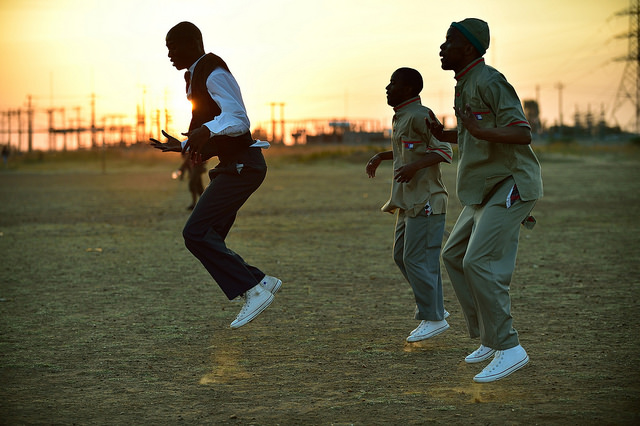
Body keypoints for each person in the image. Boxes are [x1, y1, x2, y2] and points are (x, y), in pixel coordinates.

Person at [428, 18, 543, 382]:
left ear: (469, 48)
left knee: (478, 261)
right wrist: (443, 133)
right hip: (483, 190)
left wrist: (477, 129)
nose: (442, 48)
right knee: (453, 256)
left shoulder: (490, 80)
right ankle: (490, 339)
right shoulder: (464, 83)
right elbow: (472, 135)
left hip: (510, 184)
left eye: (449, 41)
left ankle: (510, 347)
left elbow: (522, 132)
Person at [150, 22, 281, 329]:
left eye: (174, 46)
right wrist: (183, 144)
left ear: (194, 42)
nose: (169, 53)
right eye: (166, 47)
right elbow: (214, 125)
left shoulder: (213, 70)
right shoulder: (195, 76)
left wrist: (205, 130)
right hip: (234, 166)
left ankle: (252, 290)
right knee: (207, 237)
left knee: (195, 233)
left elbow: (238, 119)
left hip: (243, 166)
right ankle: (260, 280)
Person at [366, 68, 453, 343]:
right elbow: (408, 150)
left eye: (393, 83)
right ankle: (435, 307)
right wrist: (382, 155)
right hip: (408, 201)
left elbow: (444, 150)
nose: (387, 87)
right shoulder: (402, 116)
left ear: (409, 88)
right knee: (401, 255)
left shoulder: (420, 115)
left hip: (426, 199)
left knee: (417, 259)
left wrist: (414, 167)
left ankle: (434, 318)